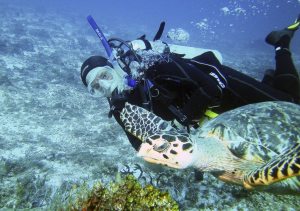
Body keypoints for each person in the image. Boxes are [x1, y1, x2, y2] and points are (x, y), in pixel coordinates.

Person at [81, 15, 300, 152]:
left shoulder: (153, 65)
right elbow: (141, 146)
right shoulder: (121, 108)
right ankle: (268, 80)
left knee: (291, 107)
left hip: (223, 87)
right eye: (96, 88)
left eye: (105, 77)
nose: (105, 87)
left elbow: (209, 88)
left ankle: (281, 43)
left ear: (114, 68)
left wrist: (180, 122)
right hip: (212, 118)